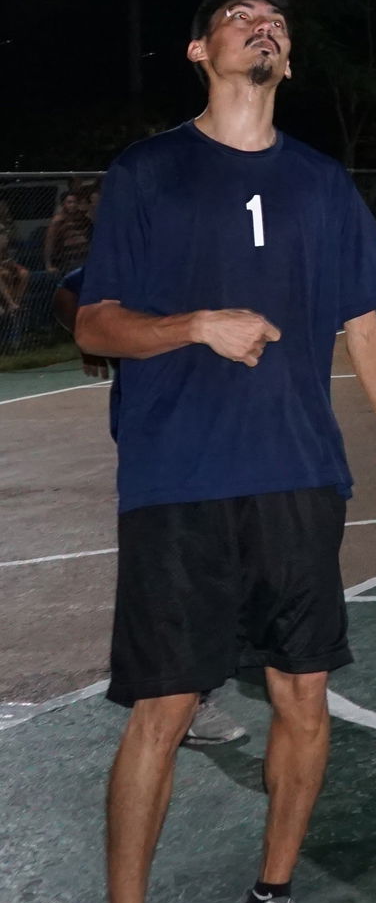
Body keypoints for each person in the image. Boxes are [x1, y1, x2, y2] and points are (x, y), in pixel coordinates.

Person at [71, 0, 376, 903]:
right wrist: (194, 325)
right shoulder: (150, 172)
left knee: (306, 700)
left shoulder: (322, 185)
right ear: (200, 49)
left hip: (295, 475)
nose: (265, 24)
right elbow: (97, 323)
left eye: (278, 18)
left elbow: (365, 330)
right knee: (167, 708)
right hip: (180, 479)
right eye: (241, 16)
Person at [55, 269, 248, 750]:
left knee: (238, 549)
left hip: (231, 417)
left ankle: (228, 655)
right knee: (180, 570)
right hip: (163, 430)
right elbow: (70, 291)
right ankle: (188, 695)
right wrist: (90, 341)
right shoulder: (143, 234)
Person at [44, 183, 96, 273]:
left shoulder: (84, 220)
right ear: (63, 204)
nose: (73, 205)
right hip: (69, 261)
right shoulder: (58, 222)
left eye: (75, 202)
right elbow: (49, 243)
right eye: (69, 202)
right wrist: (48, 265)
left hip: (86, 258)